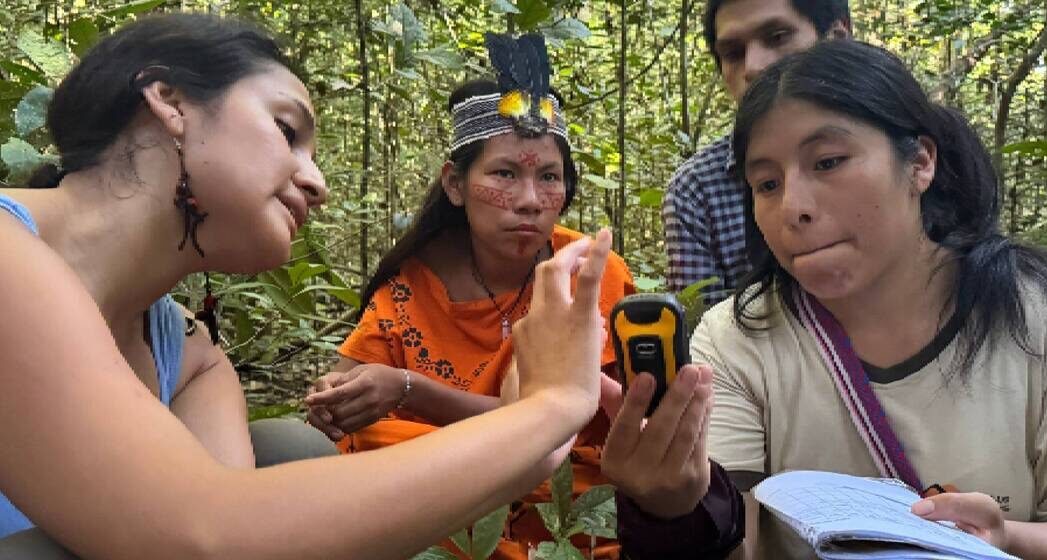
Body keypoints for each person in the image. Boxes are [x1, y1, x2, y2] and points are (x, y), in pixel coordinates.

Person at [0, 14, 613, 560]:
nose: (316, 182)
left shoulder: (192, 357)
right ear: (169, 101)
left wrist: (540, 420)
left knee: (288, 450)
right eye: (286, 130)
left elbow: (249, 529)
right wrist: (548, 410)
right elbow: (201, 531)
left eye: (550, 179)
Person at [686, 40, 1047, 558]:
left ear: (919, 162)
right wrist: (666, 504)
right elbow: (735, 542)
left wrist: (1008, 537)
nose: (794, 208)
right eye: (767, 183)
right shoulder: (737, 340)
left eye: (828, 162)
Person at [304, 33, 635, 559]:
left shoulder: (590, 272)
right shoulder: (413, 282)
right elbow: (347, 376)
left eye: (548, 177)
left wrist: (409, 390)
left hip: (557, 492)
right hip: (437, 482)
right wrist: (336, 399)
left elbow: (560, 423)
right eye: (504, 173)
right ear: (455, 185)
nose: (528, 201)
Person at [663, 0, 850, 306]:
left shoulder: (905, 142)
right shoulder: (699, 188)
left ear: (837, 37)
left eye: (777, 37)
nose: (753, 67)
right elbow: (701, 333)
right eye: (734, 54)